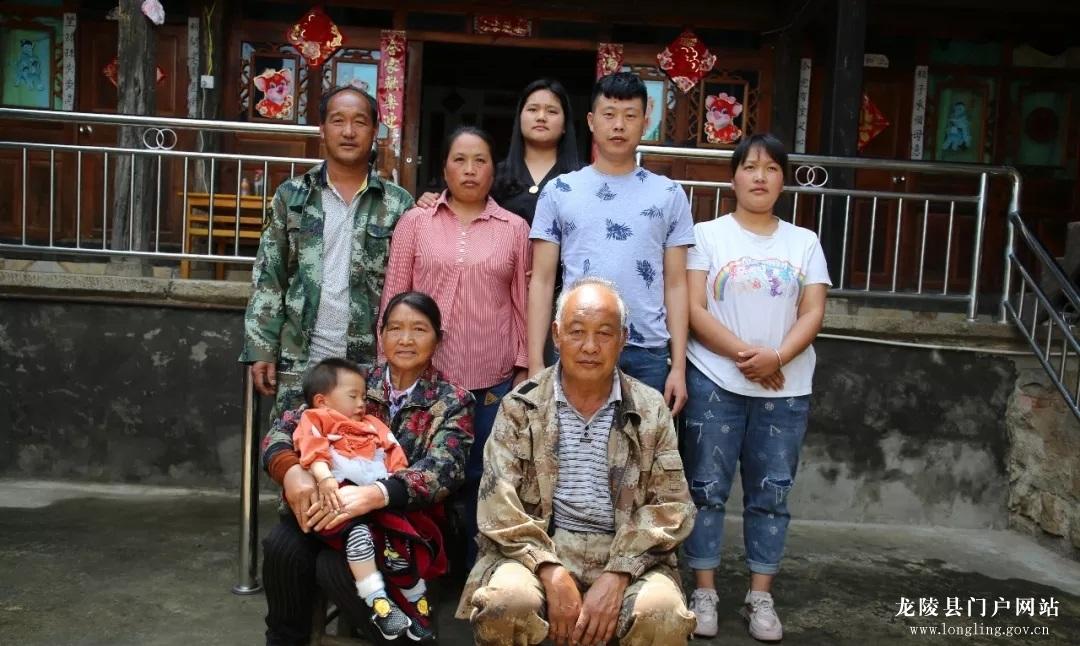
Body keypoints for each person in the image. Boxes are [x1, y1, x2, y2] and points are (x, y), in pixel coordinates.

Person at [458, 277, 697, 646]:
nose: (590, 346)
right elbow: (497, 506)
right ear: (556, 335)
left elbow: (672, 507)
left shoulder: (650, 408)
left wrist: (619, 572)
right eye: (577, 331)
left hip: (624, 549)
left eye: (604, 333)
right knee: (506, 601)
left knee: (662, 612)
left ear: (623, 338)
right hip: (538, 547)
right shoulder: (520, 406)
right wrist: (548, 569)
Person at [680, 133, 830, 641]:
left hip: (786, 388)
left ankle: (760, 596)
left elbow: (813, 311)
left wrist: (778, 357)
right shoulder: (707, 234)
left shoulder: (804, 241)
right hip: (715, 380)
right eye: (749, 167)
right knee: (705, 490)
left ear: (783, 180)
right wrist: (749, 357)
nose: (759, 177)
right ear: (733, 178)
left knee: (772, 493)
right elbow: (694, 307)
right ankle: (704, 592)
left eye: (770, 168)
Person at [260, 292, 474, 645]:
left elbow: (445, 468)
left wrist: (375, 495)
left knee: (336, 567)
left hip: (400, 520)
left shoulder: (452, 400)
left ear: (438, 339)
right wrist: (292, 471)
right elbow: (286, 428)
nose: (406, 340)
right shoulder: (354, 380)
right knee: (283, 547)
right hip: (329, 506)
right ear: (381, 334)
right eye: (395, 328)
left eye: (419, 329)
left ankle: (403, 638)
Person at [380, 125, 531, 566]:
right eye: (459, 160)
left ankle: (476, 573)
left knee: (484, 476)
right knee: (418, 473)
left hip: (491, 379)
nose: (469, 170)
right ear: (444, 168)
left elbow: (523, 303)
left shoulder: (514, 229)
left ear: (493, 170)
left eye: (480, 160)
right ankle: (419, 567)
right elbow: (394, 295)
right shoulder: (415, 222)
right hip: (425, 382)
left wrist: (525, 365)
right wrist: (386, 368)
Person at [241, 85, 415, 424]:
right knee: (296, 448)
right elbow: (269, 275)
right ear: (322, 130)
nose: (348, 131)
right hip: (301, 362)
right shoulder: (291, 196)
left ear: (374, 132)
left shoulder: (398, 204)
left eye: (359, 122)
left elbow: (411, 285)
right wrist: (261, 347)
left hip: (370, 367)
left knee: (363, 451)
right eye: (338, 121)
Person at [528, 72, 695, 414]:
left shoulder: (669, 194)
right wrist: (534, 364)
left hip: (646, 350)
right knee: (572, 446)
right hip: (578, 345)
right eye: (609, 115)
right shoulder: (560, 191)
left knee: (643, 447)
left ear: (645, 123)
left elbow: (677, 284)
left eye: (630, 116)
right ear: (591, 121)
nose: (619, 125)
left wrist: (678, 366)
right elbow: (542, 280)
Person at [291, 357, 415, 640]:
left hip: (375, 496)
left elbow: (393, 451)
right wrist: (324, 479)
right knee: (353, 534)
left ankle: (406, 605)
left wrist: (396, 478)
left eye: (363, 397)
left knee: (399, 535)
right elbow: (313, 449)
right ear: (322, 401)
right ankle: (379, 602)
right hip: (334, 493)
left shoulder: (372, 424)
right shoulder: (315, 418)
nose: (362, 404)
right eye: (353, 397)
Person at [416, 78, 583, 225]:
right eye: (532, 109)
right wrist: (433, 201)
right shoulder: (492, 175)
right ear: (519, 118)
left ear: (565, 124)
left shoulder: (583, 179)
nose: (541, 117)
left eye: (551, 111)